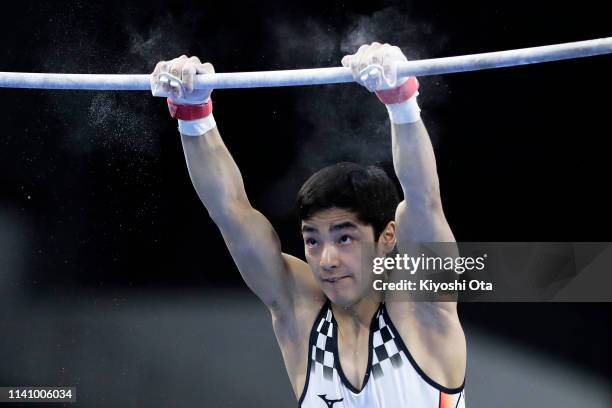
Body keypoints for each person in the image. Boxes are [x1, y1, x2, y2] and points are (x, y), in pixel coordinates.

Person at [150, 42, 466, 407]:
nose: (326, 260)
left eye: (345, 238)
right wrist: (193, 114)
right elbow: (231, 212)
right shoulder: (301, 315)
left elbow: (423, 200)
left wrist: (401, 101)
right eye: (313, 241)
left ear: (387, 237)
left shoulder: (422, 307)